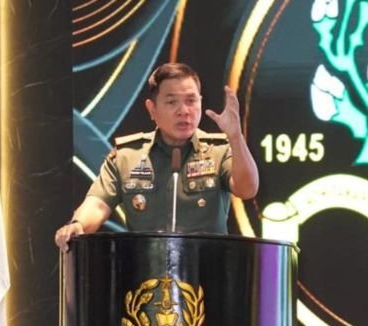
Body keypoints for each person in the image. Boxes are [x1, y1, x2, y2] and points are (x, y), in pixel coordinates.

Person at [55, 62, 259, 251]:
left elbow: (247, 189)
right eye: (171, 102)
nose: (184, 111)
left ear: (201, 102)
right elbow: (98, 203)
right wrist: (78, 224)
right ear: (152, 109)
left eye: (191, 101)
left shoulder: (219, 150)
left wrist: (235, 136)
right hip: (145, 269)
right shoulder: (127, 156)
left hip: (205, 269)